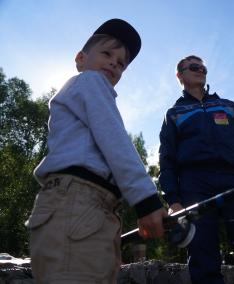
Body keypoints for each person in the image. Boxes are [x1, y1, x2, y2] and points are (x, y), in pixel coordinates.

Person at [25, 19, 167, 283]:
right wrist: (146, 200)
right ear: (80, 59)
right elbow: (115, 141)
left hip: (83, 207)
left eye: (122, 63)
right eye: (107, 53)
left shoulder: (85, 93)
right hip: (79, 202)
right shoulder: (90, 82)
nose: (115, 62)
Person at [159, 55, 234, 284]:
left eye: (203, 67)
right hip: (194, 184)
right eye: (194, 67)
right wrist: (173, 200)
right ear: (180, 75)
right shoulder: (173, 114)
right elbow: (167, 160)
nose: (200, 70)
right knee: (202, 254)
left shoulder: (227, 106)